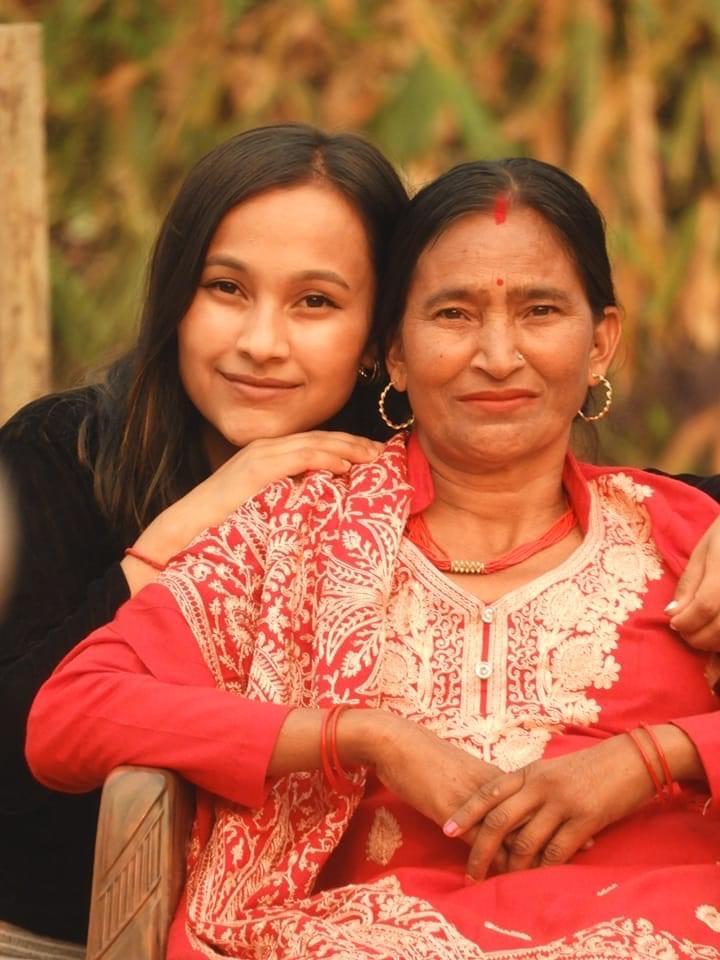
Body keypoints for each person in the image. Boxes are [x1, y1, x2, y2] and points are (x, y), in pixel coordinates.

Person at [26, 158, 720, 958]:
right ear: (394, 351)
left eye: (540, 311)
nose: (497, 355)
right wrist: (360, 735)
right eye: (454, 314)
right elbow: (70, 714)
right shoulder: (298, 531)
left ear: (600, 342)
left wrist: (658, 754)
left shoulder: (682, 535)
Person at [0, 122, 408, 945]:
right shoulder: (59, 452)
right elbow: (15, 751)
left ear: (376, 339)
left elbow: (640, 503)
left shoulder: (406, 473)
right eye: (226, 288)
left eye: (315, 302)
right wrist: (195, 520)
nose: (260, 343)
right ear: (176, 295)